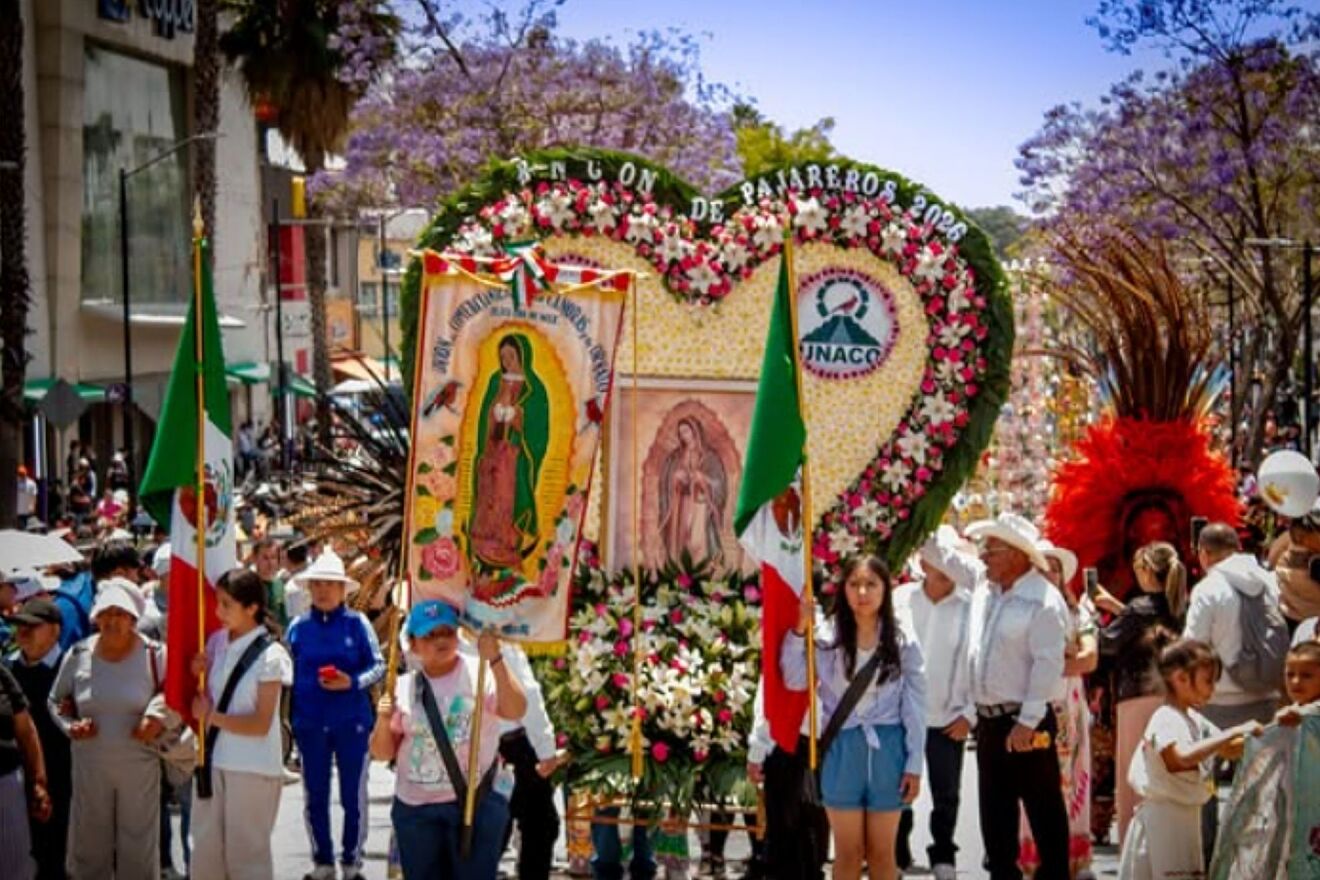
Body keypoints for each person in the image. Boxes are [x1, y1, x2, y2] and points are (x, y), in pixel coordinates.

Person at [782, 555, 927, 880]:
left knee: (882, 854)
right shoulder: (827, 636)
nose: (862, 592)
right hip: (841, 748)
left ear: (885, 589)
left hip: (888, 749)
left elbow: (915, 704)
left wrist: (914, 763)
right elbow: (794, 678)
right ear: (843, 589)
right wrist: (799, 629)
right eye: (854, 584)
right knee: (848, 853)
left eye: (871, 584)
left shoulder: (902, 639)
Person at [370, 600, 527, 880]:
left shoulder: (482, 673)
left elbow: (515, 709)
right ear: (413, 644)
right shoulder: (403, 688)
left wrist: (496, 660)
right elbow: (382, 753)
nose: (440, 640)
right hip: (417, 811)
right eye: (429, 635)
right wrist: (383, 720)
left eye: (447, 632)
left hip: (475, 804)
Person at [966, 513, 1071, 880]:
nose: (983, 556)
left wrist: (1027, 721)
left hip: (1025, 721)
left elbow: (1047, 664)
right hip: (989, 722)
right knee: (995, 819)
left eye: (991, 549)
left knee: (1043, 812)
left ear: (1016, 554)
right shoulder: (986, 592)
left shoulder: (1042, 600)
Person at [51, 580, 175, 879]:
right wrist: (70, 726)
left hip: (140, 767)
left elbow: (174, 694)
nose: (112, 621)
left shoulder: (155, 654)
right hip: (90, 768)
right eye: (105, 613)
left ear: (133, 619)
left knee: (139, 847)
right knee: (90, 845)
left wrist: (156, 716)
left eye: (120, 613)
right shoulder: (78, 654)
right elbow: (55, 700)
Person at [1117, 639, 1259, 880]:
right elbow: (1180, 758)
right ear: (1181, 679)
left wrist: (1272, 731)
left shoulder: (1194, 719)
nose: (1212, 689)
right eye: (1208, 681)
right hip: (1163, 823)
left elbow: (1228, 748)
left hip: (1185, 820)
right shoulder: (1165, 718)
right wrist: (1234, 731)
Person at [286, 550, 385, 880]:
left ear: (343, 590)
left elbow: (378, 666)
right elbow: (285, 671)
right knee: (314, 794)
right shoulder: (297, 628)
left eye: (330, 584)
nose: (323, 590)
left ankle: (352, 862)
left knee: (353, 795)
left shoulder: (358, 624)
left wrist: (351, 682)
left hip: (351, 722)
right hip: (310, 723)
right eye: (317, 584)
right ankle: (323, 862)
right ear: (309, 588)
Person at [190, 569, 293, 880]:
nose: (218, 612)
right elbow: (208, 694)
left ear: (252, 608)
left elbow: (260, 723)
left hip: (252, 768)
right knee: (206, 855)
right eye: (218, 603)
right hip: (213, 761)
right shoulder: (216, 642)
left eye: (227, 604)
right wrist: (197, 673)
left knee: (247, 859)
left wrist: (211, 717)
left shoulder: (272, 655)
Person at [892, 525, 980, 880]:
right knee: (898, 787)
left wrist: (970, 713)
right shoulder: (901, 599)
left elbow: (977, 661)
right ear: (924, 563)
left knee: (947, 791)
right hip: (902, 713)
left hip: (948, 716)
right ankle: (897, 852)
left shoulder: (970, 605)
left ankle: (943, 853)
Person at [1093, 541, 1185, 844]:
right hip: (1172, 696)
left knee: (1134, 775)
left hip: (1137, 697)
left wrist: (1090, 620)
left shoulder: (1138, 609)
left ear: (1146, 571)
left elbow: (1106, 643)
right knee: (1167, 772)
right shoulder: (1179, 606)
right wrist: (1120, 609)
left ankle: (1136, 846)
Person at [1019, 541, 1098, 878]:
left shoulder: (1079, 613)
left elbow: (1089, 658)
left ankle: (1073, 855)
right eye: (1042, 567)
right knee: (1032, 778)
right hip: (1033, 704)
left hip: (1070, 704)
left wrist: (1047, 664)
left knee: (1072, 774)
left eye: (1055, 568)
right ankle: (1031, 854)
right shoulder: (1022, 610)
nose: (1049, 574)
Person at [1184, 523, 1286, 728]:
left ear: (1203, 553)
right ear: (1238, 548)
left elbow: (1193, 646)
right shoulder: (1269, 581)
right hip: (1268, 697)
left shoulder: (1208, 589)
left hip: (1220, 702)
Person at [6, 598, 71, 879]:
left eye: (32, 626)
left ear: (55, 631)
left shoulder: (73, 667)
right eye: (19, 626)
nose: (23, 633)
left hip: (65, 777)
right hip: (18, 779)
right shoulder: (8, 669)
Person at [492, 642, 565, 880]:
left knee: (490, 829)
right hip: (513, 744)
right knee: (538, 826)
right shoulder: (502, 641)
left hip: (480, 741)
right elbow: (528, 696)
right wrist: (546, 749)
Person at [746, 679, 828, 880]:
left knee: (787, 840)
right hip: (824, 743)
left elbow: (770, 699)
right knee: (811, 832)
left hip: (787, 744)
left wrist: (757, 750)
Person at [0, 652, 51, 880]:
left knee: (16, 870)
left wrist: (38, 782)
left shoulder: (1, 674)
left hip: (6, 785)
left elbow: (26, 730)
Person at [1271, 510, 1320, 634]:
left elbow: (1272, 560)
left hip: (1288, 616)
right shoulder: (1313, 563)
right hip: (1305, 623)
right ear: (1304, 538)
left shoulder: (1286, 547)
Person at [251, 538, 288, 633]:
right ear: (255, 559)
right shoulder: (249, 585)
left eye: (273, 557)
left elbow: (283, 616)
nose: (270, 563)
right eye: (265, 558)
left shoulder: (279, 584)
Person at [17, 465, 38, 530]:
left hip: (28, 508)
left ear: (26, 473)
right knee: (21, 526)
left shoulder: (31, 483)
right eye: (20, 474)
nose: (21, 475)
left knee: (28, 526)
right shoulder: (16, 483)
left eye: (23, 474)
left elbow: (34, 496)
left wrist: (33, 506)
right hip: (19, 509)